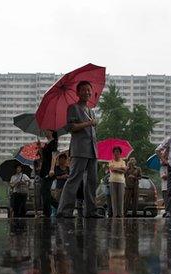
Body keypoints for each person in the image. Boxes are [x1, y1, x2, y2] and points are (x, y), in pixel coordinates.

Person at [56, 81, 101, 218]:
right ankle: (64, 210)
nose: (87, 92)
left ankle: (91, 211)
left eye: (89, 90)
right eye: (84, 90)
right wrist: (89, 123)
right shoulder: (73, 108)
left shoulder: (91, 111)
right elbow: (71, 128)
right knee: (74, 179)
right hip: (79, 149)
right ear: (78, 93)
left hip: (92, 150)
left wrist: (92, 123)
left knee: (92, 181)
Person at [39, 130, 59, 217]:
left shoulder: (54, 142)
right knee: (44, 191)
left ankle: (48, 212)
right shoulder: (47, 143)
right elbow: (44, 157)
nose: (45, 131)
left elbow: (54, 157)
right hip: (44, 169)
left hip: (49, 170)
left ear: (51, 132)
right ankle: (55, 208)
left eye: (46, 130)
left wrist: (52, 169)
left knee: (44, 190)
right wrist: (40, 148)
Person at [108, 147, 127, 218]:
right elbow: (112, 170)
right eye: (115, 152)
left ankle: (120, 214)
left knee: (120, 198)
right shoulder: (111, 161)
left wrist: (116, 169)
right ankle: (115, 214)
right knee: (114, 198)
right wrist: (121, 169)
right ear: (113, 153)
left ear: (120, 153)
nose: (117, 153)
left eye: (118, 152)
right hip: (112, 181)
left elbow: (124, 171)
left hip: (121, 181)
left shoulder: (123, 162)